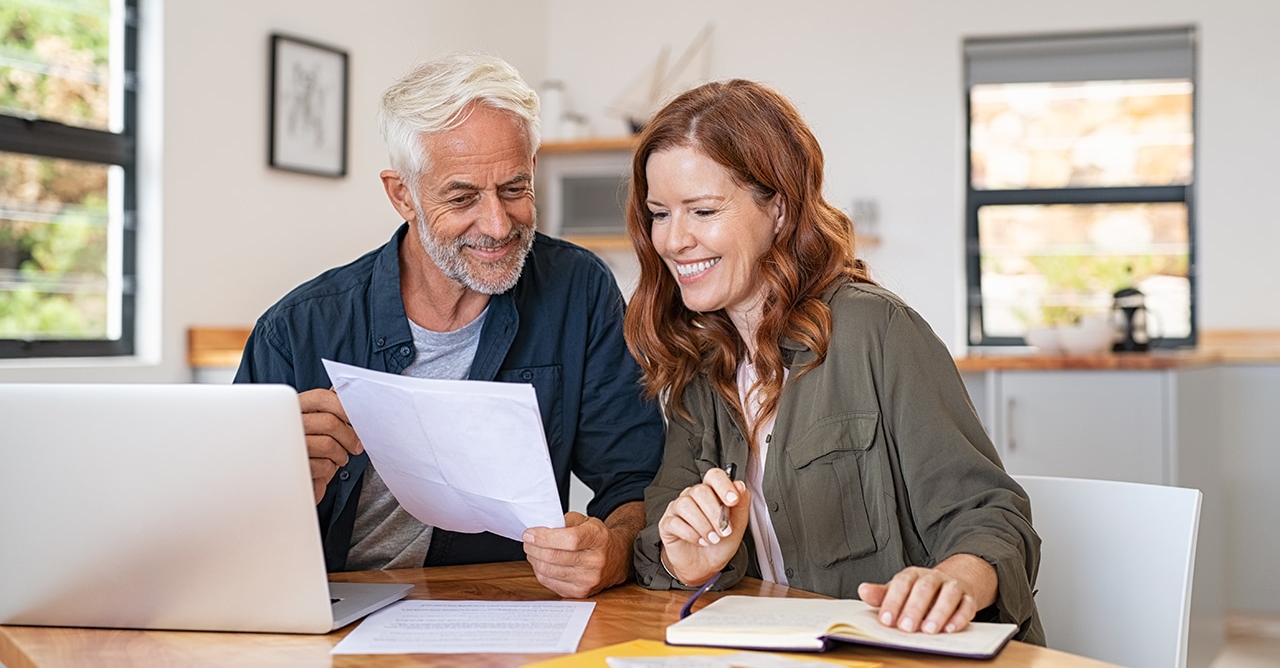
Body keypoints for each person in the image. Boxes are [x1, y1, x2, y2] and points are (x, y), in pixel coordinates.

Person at [624, 79, 1044, 642]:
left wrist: (955, 580)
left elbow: (992, 517)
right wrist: (689, 559)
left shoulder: (877, 331)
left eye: (702, 211)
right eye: (659, 213)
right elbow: (658, 537)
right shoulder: (702, 366)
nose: (673, 240)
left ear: (778, 208)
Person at [235, 51, 664, 599]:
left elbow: (635, 481)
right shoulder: (297, 328)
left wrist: (613, 549)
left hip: (496, 606)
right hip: (328, 607)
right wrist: (279, 480)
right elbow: (223, 525)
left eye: (515, 188)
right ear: (401, 195)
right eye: (462, 197)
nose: (497, 224)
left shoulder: (578, 290)